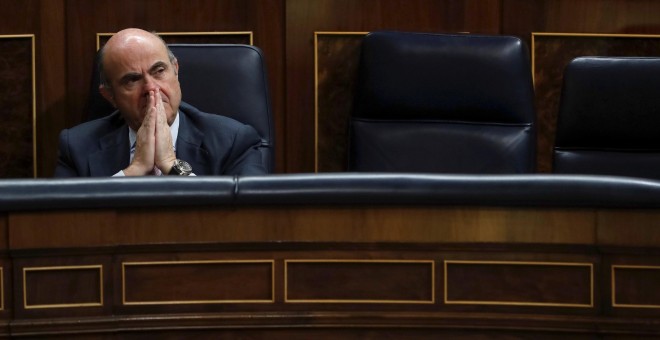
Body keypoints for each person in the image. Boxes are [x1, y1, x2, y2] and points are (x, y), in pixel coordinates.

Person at [54, 28, 267, 177]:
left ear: (176, 70)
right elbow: (65, 225)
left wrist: (171, 165)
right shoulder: (77, 146)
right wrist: (133, 171)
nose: (151, 88)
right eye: (132, 79)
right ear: (110, 96)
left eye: (159, 71)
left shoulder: (233, 141)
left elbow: (249, 218)